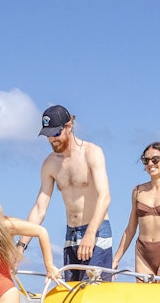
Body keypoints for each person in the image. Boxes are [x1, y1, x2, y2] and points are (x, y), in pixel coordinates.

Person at [20, 105, 112, 281]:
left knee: (92, 295)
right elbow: (40, 208)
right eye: (47, 135)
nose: (51, 140)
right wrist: (21, 245)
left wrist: (90, 233)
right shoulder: (50, 163)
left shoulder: (92, 153)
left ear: (69, 126)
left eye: (55, 134)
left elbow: (105, 197)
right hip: (71, 234)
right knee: (70, 293)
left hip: (96, 230)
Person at [112, 141, 160, 280]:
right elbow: (130, 229)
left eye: (155, 159)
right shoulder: (138, 191)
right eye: (146, 160)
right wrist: (116, 259)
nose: (150, 164)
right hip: (143, 252)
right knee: (143, 299)